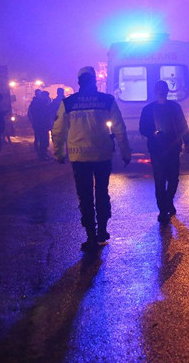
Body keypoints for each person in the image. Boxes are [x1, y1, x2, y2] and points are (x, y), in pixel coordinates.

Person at [52, 66, 131, 251]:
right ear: (95, 80)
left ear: (79, 82)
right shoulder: (107, 100)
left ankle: (90, 236)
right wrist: (125, 152)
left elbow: (58, 131)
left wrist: (59, 154)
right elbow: (120, 128)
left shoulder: (68, 103)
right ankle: (102, 231)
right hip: (102, 155)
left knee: (85, 196)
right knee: (102, 192)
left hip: (79, 157)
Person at [140, 80, 189, 223]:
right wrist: (153, 132)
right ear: (157, 92)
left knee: (171, 178)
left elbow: (183, 125)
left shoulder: (174, 107)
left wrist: (187, 141)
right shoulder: (150, 109)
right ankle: (163, 209)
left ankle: (167, 203)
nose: (162, 92)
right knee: (162, 179)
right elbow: (143, 128)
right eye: (160, 90)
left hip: (170, 148)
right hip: (159, 149)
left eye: (164, 90)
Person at [28, 89, 52, 160]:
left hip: (40, 124)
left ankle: (42, 154)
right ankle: (42, 155)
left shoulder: (37, 103)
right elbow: (45, 114)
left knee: (42, 139)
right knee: (43, 140)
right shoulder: (41, 104)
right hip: (42, 124)